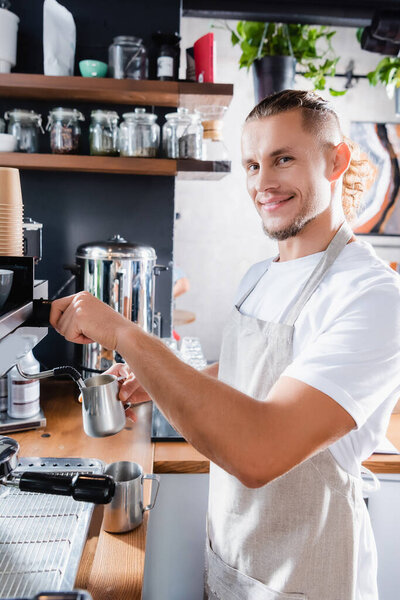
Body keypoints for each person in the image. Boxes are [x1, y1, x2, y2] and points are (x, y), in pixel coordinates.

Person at [50, 90, 400, 600]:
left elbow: (259, 449)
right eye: (252, 164)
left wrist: (124, 333)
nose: (263, 183)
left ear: (336, 160)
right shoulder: (259, 276)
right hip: (232, 563)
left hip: (307, 578)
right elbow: (247, 370)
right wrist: (151, 382)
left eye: (283, 158)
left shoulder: (372, 295)